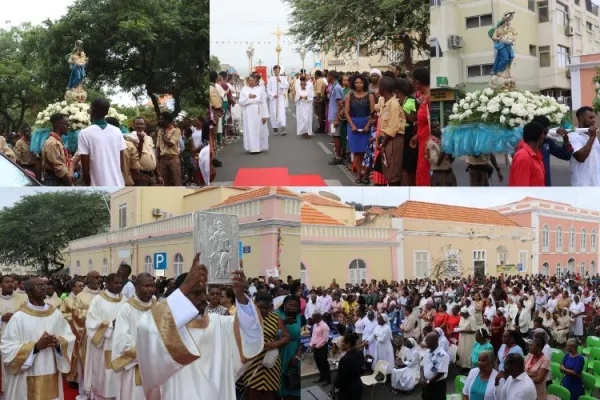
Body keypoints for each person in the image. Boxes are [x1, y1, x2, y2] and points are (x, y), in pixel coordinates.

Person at [136, 253, 264, 399]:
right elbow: (146, 329)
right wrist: (186, 285)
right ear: (181, 295)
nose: (204, 298)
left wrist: (241, 296)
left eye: (204, 293)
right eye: (196, 293)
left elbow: (251, 332)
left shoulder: (221, 324)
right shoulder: (171, 331)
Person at [0, 277, 76, 400]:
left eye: (44, 285)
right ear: (28, 292)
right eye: (39, 286)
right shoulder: (19, 317)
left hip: (50, 368)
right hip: (27, 373)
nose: (44, 288)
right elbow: (7, 348)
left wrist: (58, 343)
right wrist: (35, 347)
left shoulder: (55, 314)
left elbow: (68, 336)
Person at [110, 273, 157, 400]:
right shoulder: (126, 309)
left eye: (152, 286)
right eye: (146, 286)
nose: (150, 289)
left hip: (157, 365)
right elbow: (122, 341)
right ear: (137, 287)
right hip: (134, 366)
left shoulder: (158, 307)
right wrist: (145, 351)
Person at [83, 273, 127, 399]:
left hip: (120, 343)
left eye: (121, 283)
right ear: (107, 283)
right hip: (104, 344)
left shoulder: (125, 300)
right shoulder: (98, 300)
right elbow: (91, 323)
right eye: (116, 283)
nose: (119, 285)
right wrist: (110, 324)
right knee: (104, 375)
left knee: (119, 375)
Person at [242, 292, 290, 399]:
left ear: (271, 307)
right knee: (252, 390)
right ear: (254, 304)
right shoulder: (248, 317)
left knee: (269, 391)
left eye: (266, 308)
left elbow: (286, 336)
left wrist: (274, 344)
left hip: (270, 360)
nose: (263, 310)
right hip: (253, 360)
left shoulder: (275, 317)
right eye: (260, 307)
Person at [78, 98, 126, 187]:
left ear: (92, 110)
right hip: (118, 185)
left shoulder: (84, 133)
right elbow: (121, 165)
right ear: (107, 112)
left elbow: (85, 170)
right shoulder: (117, 131)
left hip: (97, 188)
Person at [73, 270, 102, 400]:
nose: (98, 280)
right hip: (85, 335)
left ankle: (98, 390)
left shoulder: (103, 295)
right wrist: (92, 319)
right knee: (85, 362)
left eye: (99, 277)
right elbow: (76, 314)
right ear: (88, 279)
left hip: (102, 334)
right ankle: (85, 391)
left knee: (99, 362)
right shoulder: (80, 296)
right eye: (96, 277)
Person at [345, 74, 375, 183]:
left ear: (364, 84)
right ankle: (358, 174)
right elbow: (346, 112)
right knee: (356, 152)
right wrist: (352, 125)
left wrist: (368, 125)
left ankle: (366, 174)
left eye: (361, 82)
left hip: (366, 123)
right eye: (357, 82)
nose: (359, 85)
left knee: (366, 151)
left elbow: (373, 113)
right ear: (353, 83)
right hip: (353, 123)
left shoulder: (370, 96)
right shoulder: (349, 95)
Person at [378, 76, 406, 186]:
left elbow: (393, 128)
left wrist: (383, 144)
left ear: (383, 89)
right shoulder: (386, 102)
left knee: (393, 170)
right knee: (388, 168)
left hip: (393, 140)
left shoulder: (394, 105)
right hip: (387, 139)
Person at [275, 296, 303, 400]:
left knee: (292, 381)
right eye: (290, 305)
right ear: (284, 304)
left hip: (293, 352)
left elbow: (303, 340)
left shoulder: (300, 317)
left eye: (296, 306)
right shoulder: (276, 313)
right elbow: (270, 331)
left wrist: (297, 356)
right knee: (276, 381)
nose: (293, 308)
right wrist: (284, 322)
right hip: (277, 351)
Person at [569, 106, 599, 186]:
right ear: (580, 119)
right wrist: (592, 138)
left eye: (594, 117)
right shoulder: (573, 136)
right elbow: (580, 157)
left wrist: (592, 137)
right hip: (582, 185)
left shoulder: (592, 135)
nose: (594, 120)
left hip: (596, 183)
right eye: (590, 118)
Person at [411, 67, 431, 186]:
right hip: (421, 140)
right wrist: (416, 135)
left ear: (418, 83)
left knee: (426, 172)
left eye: (413, 81)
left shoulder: (429, 98)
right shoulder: (423, 97)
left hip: (428, 143)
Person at [509, 121, 546, 186]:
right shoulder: (524, 158)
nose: (544, 136)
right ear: (540, 137)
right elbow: (522, 190)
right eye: (543, 134)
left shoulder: (534, 155)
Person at [239, 75, 269, 153]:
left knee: (259, 129)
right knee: (250, 130)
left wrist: (265, 115)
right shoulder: (244, 90)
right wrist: (248, 97)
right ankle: (252, 148)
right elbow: (241, 102)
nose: (251, 82)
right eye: (250, 80)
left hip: (259, 111)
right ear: (247, 81)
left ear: (255, 81)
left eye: (253, 80)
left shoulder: (259, 89)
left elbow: (264, 103)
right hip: (249, 112)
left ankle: (258, 147)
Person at [41, 113, 73, 186]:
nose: (68, 127)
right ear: (59, 124)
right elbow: (60, 169)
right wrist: (71, 185)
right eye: (67, 125)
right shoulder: (53, 143)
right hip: (55, 182)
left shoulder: (57, 141)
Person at [334, 333, 364, 400]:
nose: (341, 344)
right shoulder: (360, 353)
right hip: (358, 386)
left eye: (343, 342)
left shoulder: (344, 359)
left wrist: (336, 386)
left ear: (348, 344)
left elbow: (340, 377)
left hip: (347, 391)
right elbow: (361, 370)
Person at [155, 112, 182, 186]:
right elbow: (158, 146)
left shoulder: (176, 130)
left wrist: (163, 135)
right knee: (164, 182)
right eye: (159, 119)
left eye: (161, 119)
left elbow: (170, 144)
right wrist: (157, 159)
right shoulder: (160, 131)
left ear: (167, 120)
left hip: (173, 159)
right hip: (163, 159)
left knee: (176, 181)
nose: (159, 121)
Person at [421, 331, 449, 400]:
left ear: (434, 341)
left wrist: (429, 381)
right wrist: (423, 378)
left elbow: (441, 373)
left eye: (427, 340)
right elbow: (422, 366)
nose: (426, 342)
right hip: (426, 384)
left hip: (437, 385)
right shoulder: (427, 352)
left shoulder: (442, 354)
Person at [524, 335, 550, 400]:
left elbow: (539, 379)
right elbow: (521, 370)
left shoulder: (545, 360)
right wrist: (532, 374)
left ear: (539, 348)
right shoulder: (530, 355)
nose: (529, 347)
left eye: (532, 345)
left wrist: (525, 377)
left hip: (538, 392)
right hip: (527, 389)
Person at [267, 65, 289, 135]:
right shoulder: (270, 79)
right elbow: (268, 90)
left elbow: (287, 86)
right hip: (274, 99)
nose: (276, 71)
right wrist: (273, 95)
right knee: (274, 113)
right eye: (275, 70)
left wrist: (280, 82)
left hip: (280, 98)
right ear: (273, 71)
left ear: (279, 70)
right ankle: (275, 127)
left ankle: (283, 128)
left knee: (282, 113)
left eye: (278, 70)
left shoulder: (283, 78)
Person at [310, 312, 331, 385]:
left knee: (324, 363)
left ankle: (327, 379)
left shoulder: (324, 326)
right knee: (318, 362)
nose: (312, 319)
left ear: (318, 318)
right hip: (315, 346)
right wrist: (311, 344)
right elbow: (313, 335)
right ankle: (322, 377)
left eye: (313, 317)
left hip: (322, 347)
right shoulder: (315, 325)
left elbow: (325, 340)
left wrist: (317, 346)